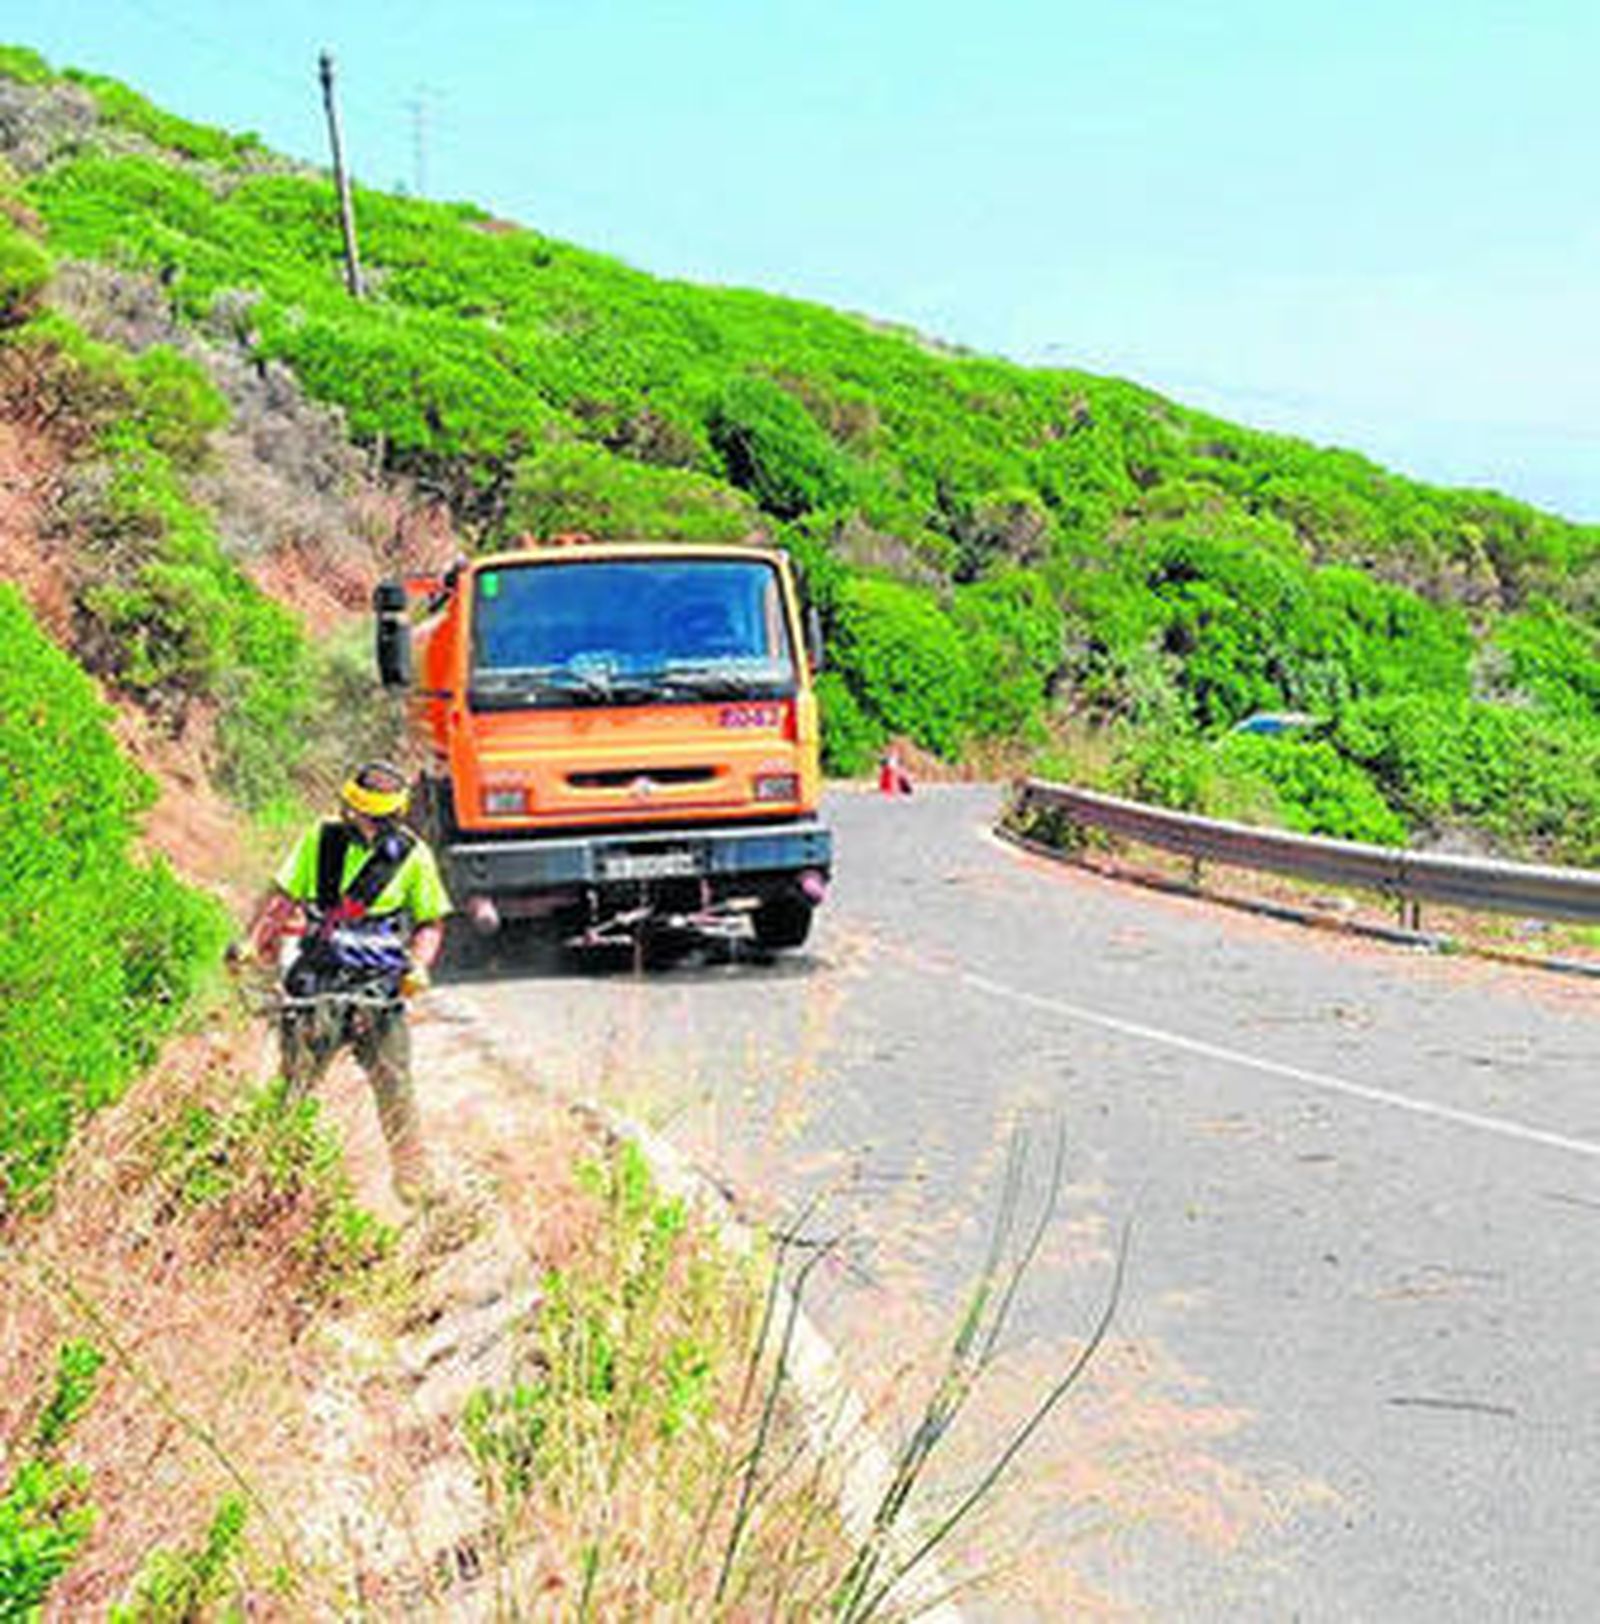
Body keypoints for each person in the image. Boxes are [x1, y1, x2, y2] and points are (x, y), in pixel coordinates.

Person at [236, 760, 451, 1209]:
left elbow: (430, 922)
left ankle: (414, 1180)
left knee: (395, 1084)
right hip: (318, 981)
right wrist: (253, 942)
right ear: (347, 805)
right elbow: (283, 899)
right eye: (356, 810)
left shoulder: (413, 856)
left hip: (379, 989)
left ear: (395, 813)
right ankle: (275, 1177)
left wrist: (419, 966)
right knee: (296, 1085)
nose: (362, 820)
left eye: (372, 814)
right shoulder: (320, 840)